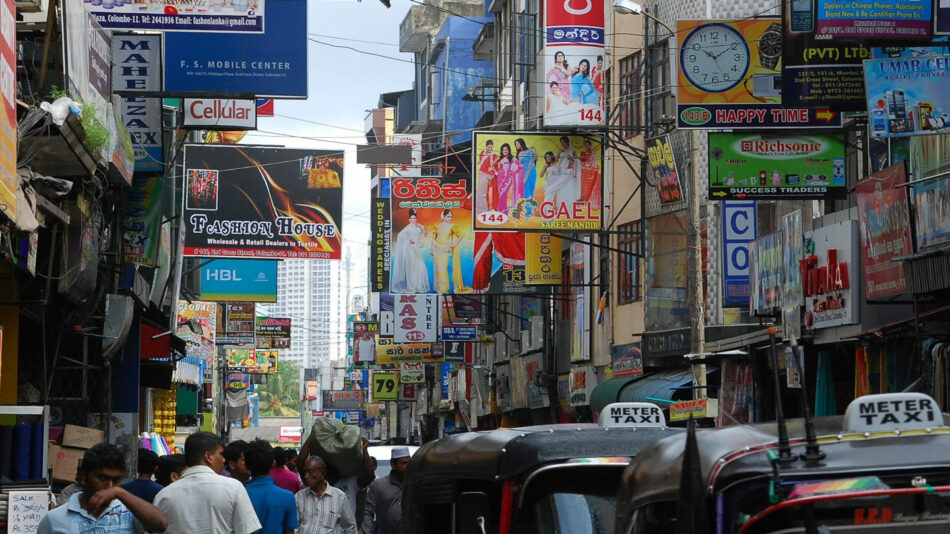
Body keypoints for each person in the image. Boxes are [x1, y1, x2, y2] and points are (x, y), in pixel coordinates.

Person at [38, 443, 167, 534]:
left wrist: (120, 492)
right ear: (84, 476)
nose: (110, 487)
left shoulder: (128, 511)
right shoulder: (54, 519)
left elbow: (161, 524)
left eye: (116, 480)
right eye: (103, 478)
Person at [154, 431, 262, 534]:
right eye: (221, 454)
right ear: (208, 456)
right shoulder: (233, 488)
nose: (224, 460)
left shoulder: (164, 495)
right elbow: (247, 530)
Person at [244, 440, 299, 534]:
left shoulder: (239, 494)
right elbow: (289, 531)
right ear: (273, 463)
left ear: (246, 465)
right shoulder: (287, 497)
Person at [296, 456, 357, 534]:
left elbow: (350, 528)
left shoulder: (339, 497)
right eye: (305, 472)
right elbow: (294, 526)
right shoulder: (299, 497)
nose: (306, 476)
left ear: (322, 473)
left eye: (310, 472)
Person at [361, 446, 412, 534]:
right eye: (404, 463)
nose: (408, 467)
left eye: (410, 463)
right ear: (393, 464)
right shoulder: (378, 485)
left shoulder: (415, 485)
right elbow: (368, 512)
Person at [390, 208, 430, 293]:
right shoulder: (407, 228)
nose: (413, 220)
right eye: (411, 218)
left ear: (416, 219)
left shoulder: (418, 227)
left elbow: (426, 234)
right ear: (409, 219)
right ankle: (411, 286)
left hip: (417, 249)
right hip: (410, 251)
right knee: (411, 268)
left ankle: (418, 286)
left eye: (414, 218)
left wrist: (422, 227)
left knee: (421, 267)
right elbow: (400, 235)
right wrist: (408, 240)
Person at [431, 209, 471, 294]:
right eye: (448, 216)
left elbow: (460, 235)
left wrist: (453, 245)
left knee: (443, 269)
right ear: (444, 216)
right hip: (436, 249)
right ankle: (438, 288)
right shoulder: (437, 225)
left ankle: (444, 289)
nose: (450, 218)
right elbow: (433, 237)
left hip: (445, 249)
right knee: (437, 269)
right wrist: (432, 249)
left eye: (451, 217)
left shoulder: (453, 226)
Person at [496, 142, 524, 213]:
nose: (504, 151)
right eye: (503, 150)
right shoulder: (500, 158)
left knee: (503, 195)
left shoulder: (513, 159)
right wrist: (496, 172)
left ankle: (504, 212)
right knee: (500, 196)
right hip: (500, 179)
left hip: (507, 179)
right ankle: (501, 212)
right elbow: (494, 166)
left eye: (506, 150)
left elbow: (520, 166)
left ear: (509, 150)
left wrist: (511, 171)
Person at [477, 139, 500, 213]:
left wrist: (494, 171)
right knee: (480, 192)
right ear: (486, 147)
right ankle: (480, 209)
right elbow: (479, 162)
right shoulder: (482, 153)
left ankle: (484, 209)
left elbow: (493, 165)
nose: (490, 148)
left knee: (483, 192)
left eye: (491, 147)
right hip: (481, 173)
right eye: (489, 147)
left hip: (486, 175)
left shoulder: (494, 156)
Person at [579, 139, 601, 204]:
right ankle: (582, 201)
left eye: (588, 145)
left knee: (590, 188)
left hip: (591, 173)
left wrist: (594, 167)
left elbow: (595, 163)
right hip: (584, 173)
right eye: (585, 145)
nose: (587, 146)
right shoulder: (583, 153)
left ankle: (588, 202)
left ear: (590, 145)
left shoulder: (594, 154)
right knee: (582, 188)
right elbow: (580, 162)